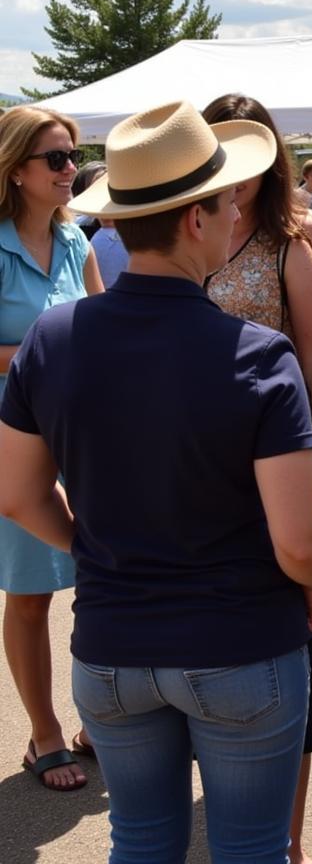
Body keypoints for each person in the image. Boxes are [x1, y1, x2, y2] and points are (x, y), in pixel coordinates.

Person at [0, 99, 312, 862]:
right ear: (195, 220)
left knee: (142, 842)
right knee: (252, 848)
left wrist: (88, 547)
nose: (233, 214)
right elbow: (297, 539)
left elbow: (15, 493)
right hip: (242, 641)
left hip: (112, 646)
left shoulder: (53, 338)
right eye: (225, 201)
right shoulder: (255, 354)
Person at [202, 93, 312, 864]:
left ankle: (286, 838)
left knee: (296, 643)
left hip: (285, 462)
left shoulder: (296, 235)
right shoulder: (176, 229)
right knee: (199, 647)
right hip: (193, 470)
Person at [0, 107, 103, 792]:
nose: (72, 169)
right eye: (57, 159)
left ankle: (99, 714)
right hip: (15, 441)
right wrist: (43, 357)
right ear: (16, 170)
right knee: (33, 591)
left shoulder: (78, 243)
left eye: (74, 155)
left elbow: (102, 328)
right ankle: (42, 733)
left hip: (84, 432)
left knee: (101, 576)